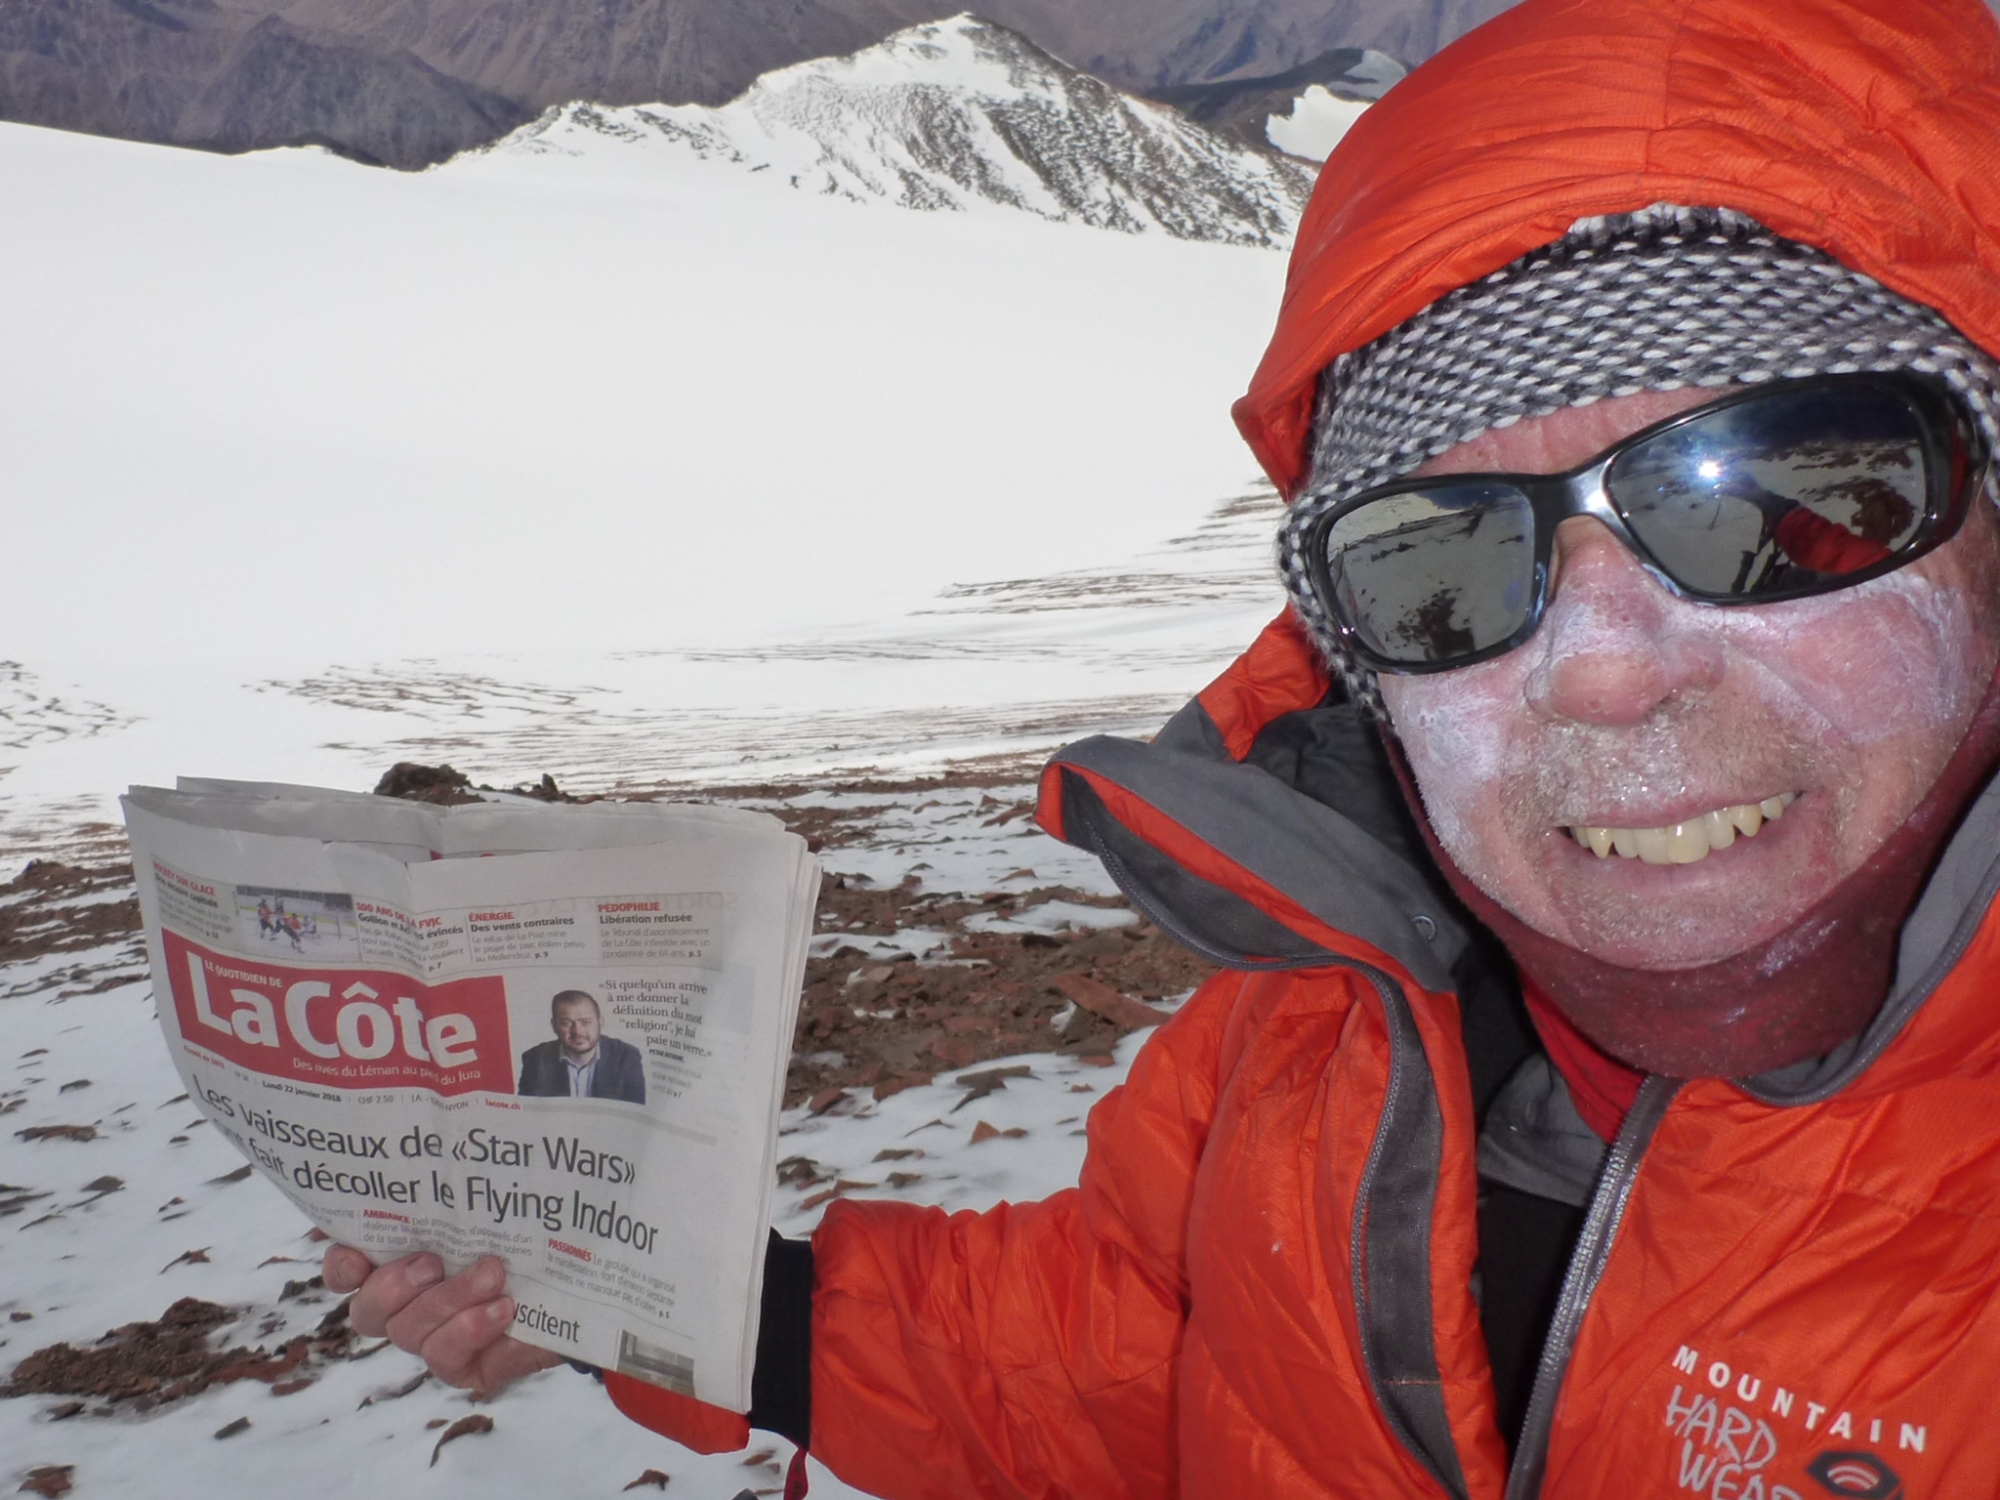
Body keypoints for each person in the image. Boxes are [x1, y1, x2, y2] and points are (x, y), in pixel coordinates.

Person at [323, 0, 2000, 1492]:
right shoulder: (1308, 1061)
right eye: (1440, 564)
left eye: (1789, 499)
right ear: (1355, 655)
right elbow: (1123, 1377)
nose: (1609, 673)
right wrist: (668, 1300)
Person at [515, 989, 646, 1104]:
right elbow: (529, 1116)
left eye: (586, 1022)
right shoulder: (534, 1059)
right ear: (554, 1025)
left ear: (600, 1022)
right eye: (566, 1023)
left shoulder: (626, 1057)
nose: (577, 1031)